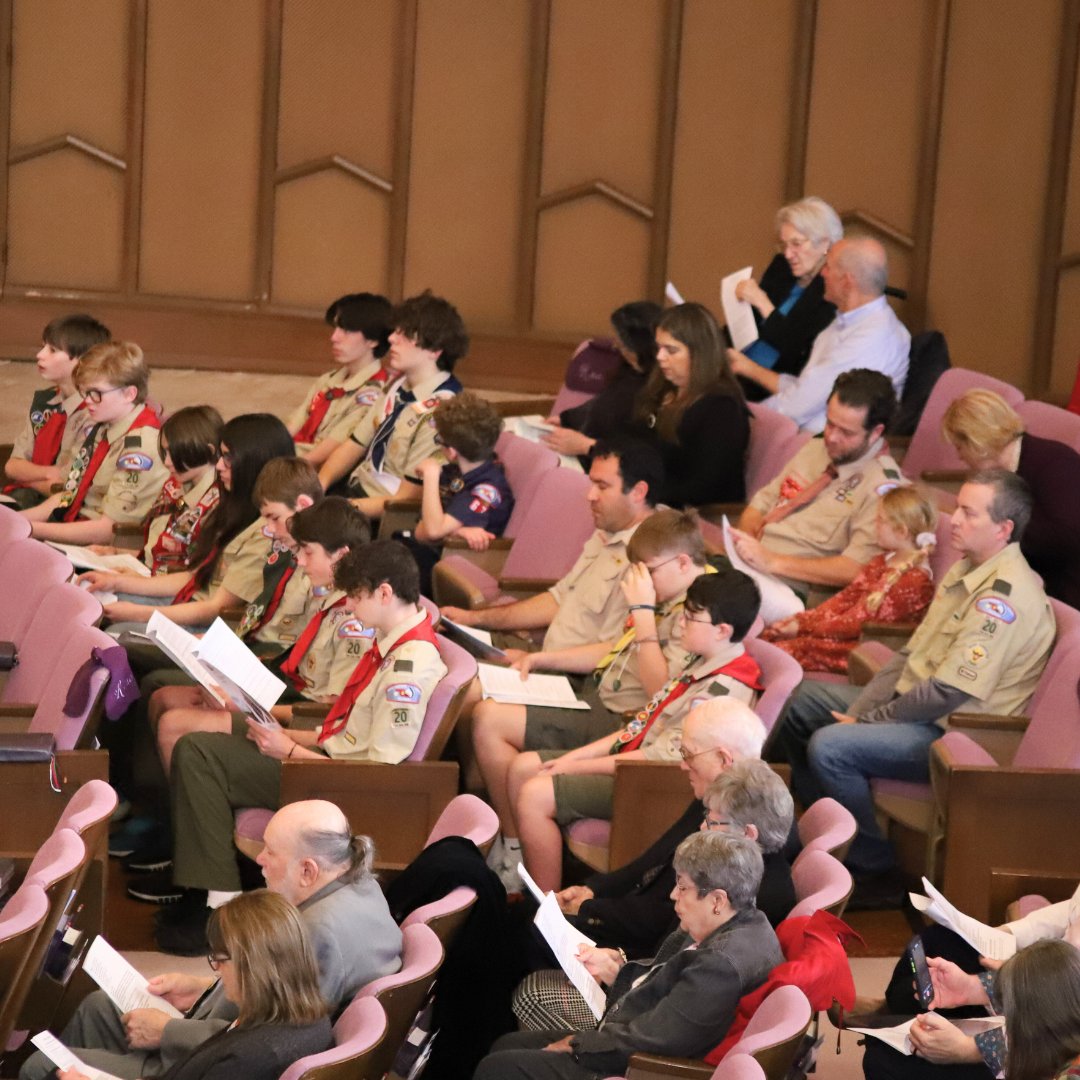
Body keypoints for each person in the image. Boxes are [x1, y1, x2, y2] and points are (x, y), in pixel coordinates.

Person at [768, 470, 1055, 900]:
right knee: (797, 699)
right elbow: (908, 656)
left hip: (955, 733)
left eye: (968, 513)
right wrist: (863, 711)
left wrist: (864, 722)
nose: (952, 519)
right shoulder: (966, 569)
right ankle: (824, 833)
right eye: (957, 506)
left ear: (1003, 529)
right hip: (917, 708)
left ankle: (871, 864)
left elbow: (947, 692)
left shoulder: (1003, 598)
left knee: (831, 745)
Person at [157, 542, 446, 929]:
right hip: (325, 756)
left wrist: (290, 749)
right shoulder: (391, 641)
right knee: (203, 737)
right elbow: (345, 730)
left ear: (384, 593)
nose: (349, 607)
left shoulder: (409, 665)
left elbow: (377, 769)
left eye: (356, 597)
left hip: (341, 785)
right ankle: (208, 883)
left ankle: (220, 905)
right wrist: (287, 736)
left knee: (200, 753)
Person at [23, 801, 401, 1076]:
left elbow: (263, 1035)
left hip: (209, 1058)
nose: (260, 860)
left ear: (307, 870)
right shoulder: (360, 884)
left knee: (45, 1065)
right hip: (225, 1031)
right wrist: (202, 987)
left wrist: (167, 1031)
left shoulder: (318, 932)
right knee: (98, 1006)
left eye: (271, 851)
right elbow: (273, 992)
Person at [475, 509, 711, 889]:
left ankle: (537, 899)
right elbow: (615, 650)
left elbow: (662, 695)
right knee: (490, 717)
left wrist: (643, 612)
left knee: (513, 754)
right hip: (600, 697)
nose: (640, 582)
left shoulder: (699, 612)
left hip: (632, 724)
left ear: (683, 562)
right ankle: (519, 862)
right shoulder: (667, 594)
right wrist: (542, 657)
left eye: (647, 571)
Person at [513, 569, 763, 891]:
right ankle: (524, 883)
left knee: (535, 793)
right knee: (524, 767)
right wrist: (574, 757)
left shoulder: (723, 687)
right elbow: (640, 726)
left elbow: (663, 758)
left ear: (722, 630)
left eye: (690, 618)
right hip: (637, 764)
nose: (681, 623)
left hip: (657, 786)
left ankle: (547, 907)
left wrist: (574, 765)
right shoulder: (700, 662)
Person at [513, 750, 793, 1034]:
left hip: (646, 1023)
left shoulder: (754, 893)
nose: (701, 827)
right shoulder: (735, 871)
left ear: (748, 834)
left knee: (528, 998)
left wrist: (620, 973)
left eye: (712, 823)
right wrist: (620, 960)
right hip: (646, 987)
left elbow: (684, 994)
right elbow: (671, 949)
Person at [473, 832, 783, 1080]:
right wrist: (616, 969)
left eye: (682, 887)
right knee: (505, 1046)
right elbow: (662, 978)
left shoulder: (720, 966)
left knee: (499, 1068)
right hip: (633, 1031)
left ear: (717, 899)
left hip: (641, 1065)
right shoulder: (744, 921)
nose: (674, 896)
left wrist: (579, 1045)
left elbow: (658, 1041)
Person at [57, 891, 333, 1080]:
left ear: (252, 969)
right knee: (95, 1012)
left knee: (45, 1066)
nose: (218, 971)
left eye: (220, 961)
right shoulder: (309, 1015)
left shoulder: (248, 1056)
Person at [81, 414, 296, 628]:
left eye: (228, 457)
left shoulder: (266, 531)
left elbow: (216, 609)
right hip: (188, 598)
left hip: (203, 620)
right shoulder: (233, 508)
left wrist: (138, 614)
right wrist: (117, 581)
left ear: (254, 461)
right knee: (92, 595)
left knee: (115, 626)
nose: (219, 465)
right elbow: (193, 576)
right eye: (221, 455)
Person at [729, 368, 903, 602]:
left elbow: (854, 568)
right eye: (830, 424)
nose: (831, 437)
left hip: (792, 590)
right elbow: (762, 503)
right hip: (750, 570)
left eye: (846, 432)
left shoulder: (883, 488)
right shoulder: (817, 447)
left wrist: (772, 561)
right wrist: (747, 547)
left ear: (875, 432)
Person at [732, 235, 909, 433]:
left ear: (846, 281)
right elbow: (804, 388)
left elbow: (796, 406)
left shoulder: (874, 337)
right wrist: (746, 367)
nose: (822, 274)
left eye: (828, 266)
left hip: (823, 448)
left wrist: (738, 417)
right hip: (802, 437)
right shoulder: (844, 322)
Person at [317, 290, 467, 517]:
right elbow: (355, 443)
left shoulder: (442, 412)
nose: (391, 339)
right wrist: (319, 486)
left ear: (434, 351)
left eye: (405, 335)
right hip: (355, 489)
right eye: (396, 331)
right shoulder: (399, 386)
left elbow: (405, 500)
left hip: (381, 513)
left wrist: (335, 510)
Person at [761, 485, 937, 673]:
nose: (874, 526)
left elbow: (857, 624)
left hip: (861, 649)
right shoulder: (881, 560)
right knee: (769, 638)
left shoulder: (914, 582)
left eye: (880, 521)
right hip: (839, 636)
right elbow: (843, 600)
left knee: (777, 653)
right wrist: (800, 620)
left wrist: (803, 627)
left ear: (901, 531)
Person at [941, 388, 1080, 609]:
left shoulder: (1054, 464)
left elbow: (1068, 537)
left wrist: (994, 531)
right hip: (1029, 582)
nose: (959, 456)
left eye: (960, 447)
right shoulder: (1001, 475)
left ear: (978, 441)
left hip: (1066, 589)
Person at [22, 341, 169, 544]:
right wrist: (18, 522)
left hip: (103, 549)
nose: (88, 400)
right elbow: (68, 494)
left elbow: (108, 530)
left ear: (129, 394)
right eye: (84, 392)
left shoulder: (140, 449)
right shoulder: (101, 427)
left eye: (96, 393)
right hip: (71, 529)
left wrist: (32, 530)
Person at [631, 302, 750, 507]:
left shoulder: (722, 409)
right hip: (653, 498)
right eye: (658, 348)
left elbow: (705, 487)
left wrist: (640, 494)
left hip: (692, 515)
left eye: (671, 350)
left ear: (699, 354)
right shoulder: (663, 388)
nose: (659, 357)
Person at [725, 196, 842, 402]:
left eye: (796, 243)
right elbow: (748, 322)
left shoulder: (831, 290)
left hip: (770, 383)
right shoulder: (782, 267)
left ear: (825, 243)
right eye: (784, 244)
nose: (788, 254)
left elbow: (794, 350)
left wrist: (763, 303)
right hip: (736, 363)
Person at [405, 391, 514, 595]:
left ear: (452, 451)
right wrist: (456, 531)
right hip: (427, 554)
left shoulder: (487, 489)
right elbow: (422, 531)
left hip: (447, 570)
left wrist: (430, 475)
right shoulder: (455, 473)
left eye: (440, 439)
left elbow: (433, 531)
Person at [4, 312, 110, 507]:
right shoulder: (46, 403)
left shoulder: (97, 412)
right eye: (42, 346)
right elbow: (12, 466)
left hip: (68, 509)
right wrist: (47, 472)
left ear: (83, 361)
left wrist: (28, 477)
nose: (40, 355)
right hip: (29, 499)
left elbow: (65, 485)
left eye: (52, 350)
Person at [543, 301, 661, 461]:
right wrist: (566, 419)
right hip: (586, 454)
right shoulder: (627, 370)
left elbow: (641, 454)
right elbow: (602, 404)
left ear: (641, 345)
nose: (616, 346)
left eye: (623, 344)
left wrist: (588, 446)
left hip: (610, 471)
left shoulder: (661, 390)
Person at [289, 291, 394, 462]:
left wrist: (281, 467)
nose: (334, 337)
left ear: (373, 340)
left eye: (346, 330)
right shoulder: (328, 380)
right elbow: (294, 425)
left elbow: (328, 452)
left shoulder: (373, 394)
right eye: (336, 328)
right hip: (293, 456)